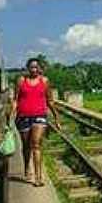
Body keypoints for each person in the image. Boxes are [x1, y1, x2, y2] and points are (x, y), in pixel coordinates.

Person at [10, 57, 62, 186]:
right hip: (23, 117)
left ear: (39, 68)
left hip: (39, 116)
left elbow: (50, 100)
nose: (34, 69)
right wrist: (10, 115)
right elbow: (16, 99)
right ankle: (27, 168)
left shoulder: (44, 81)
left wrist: (56, 117)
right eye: (31, 67)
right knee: (26, 146)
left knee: (36, 144)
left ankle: (38, 177)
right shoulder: (21, 81)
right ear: (27, 68)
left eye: (36, 67)